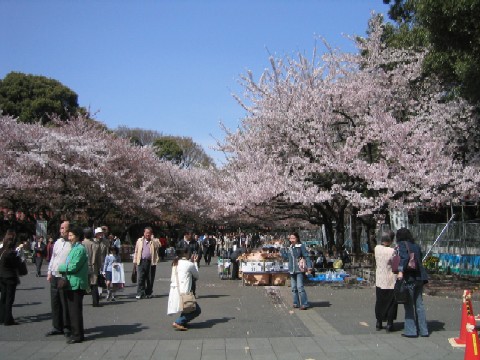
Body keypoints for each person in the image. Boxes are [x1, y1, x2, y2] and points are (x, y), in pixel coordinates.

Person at [57, 226, 88, 344]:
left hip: (76, 283)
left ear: (77, 236)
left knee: (75, 311)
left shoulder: (80, 249)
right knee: (72, 310)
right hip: (71, 282)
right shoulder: (74, 248)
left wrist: (60, 268)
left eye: (71, 235)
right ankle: (75, 332)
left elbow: (74, 266)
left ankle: (78, 335)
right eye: (68, 235)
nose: (69, 237)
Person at [396, 228, 429, 338]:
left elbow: (404, 258)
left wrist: (400, 271)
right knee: (419, 304)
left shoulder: (402, 244)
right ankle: (424, 330)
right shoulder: (415, 245)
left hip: (409, 277)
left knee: (409, 304)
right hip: (419, 277)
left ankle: (411, 331)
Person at [46, 221, 72, 338]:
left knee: (64, 302)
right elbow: (53, 258)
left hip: (64, 276)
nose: (61, 230)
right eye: (60, 228)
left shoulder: (72, 244)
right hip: (54, 275)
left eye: (63, 228)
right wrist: (49, 272)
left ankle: (67, 327)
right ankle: (57, 326)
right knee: (55, 302)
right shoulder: (57, 242)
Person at [168, 247, 201, 331]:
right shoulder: (188, 264)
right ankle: (178, 322)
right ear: (185, 253)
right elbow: (196, 276)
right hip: (184, 291)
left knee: (186, 307)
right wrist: (195, 263)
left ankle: (183, 322)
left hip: (175, 289)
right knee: (196, 310)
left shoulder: (175, 262)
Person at [374, 230, 397, 332]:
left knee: (380, 301)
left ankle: (379, 322)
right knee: (391, 303)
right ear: (391, 240)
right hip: (390, 280)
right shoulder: (393, 251)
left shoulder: (377, 248)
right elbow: (395, 265)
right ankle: (389, 324)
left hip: (379, 279)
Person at [283, 232, 312, 310]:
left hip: (299, 269)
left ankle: (304, 303)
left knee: (300, 287)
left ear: (297, 239)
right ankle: (296, 302)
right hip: (292, 269)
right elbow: (286, 257)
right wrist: (282, 251)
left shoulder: (300, 246)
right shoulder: (289, 247)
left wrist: (309, 267)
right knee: (293, 288)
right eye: (290, 238)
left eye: (293, 238)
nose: (291, 240)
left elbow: (306, 256)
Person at [0, 232, 23, 325]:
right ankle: (8, 319)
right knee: (9, 299)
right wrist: (19, 257)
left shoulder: (2, 250)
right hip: (10, 277)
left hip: (1, 276)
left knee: (3, 298)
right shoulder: (11, 253)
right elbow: (17, 264)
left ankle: (2, 317)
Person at [82, 227, 109, 307]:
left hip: (84, 266)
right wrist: (100, 267)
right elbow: (98, 258)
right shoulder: (95, 244)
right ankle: (95, 302)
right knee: (94, 285)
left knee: (82, 284)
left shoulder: (82, 244)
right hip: (94, 266)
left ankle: (78, 301)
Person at [133, 227, 160, 299]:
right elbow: (136, 251)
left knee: (150, 278)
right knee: (140, 278)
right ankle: (140, 292)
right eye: (146, 233)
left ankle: (148, 292)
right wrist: (135, 261)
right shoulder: (139, 240)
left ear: (151, 234)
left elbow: (158, 245)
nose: (147, 234)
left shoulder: (155, 240)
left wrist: (153, 239)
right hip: (141, 261)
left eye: (149, 233)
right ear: (144, 233)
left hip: (151, 262)